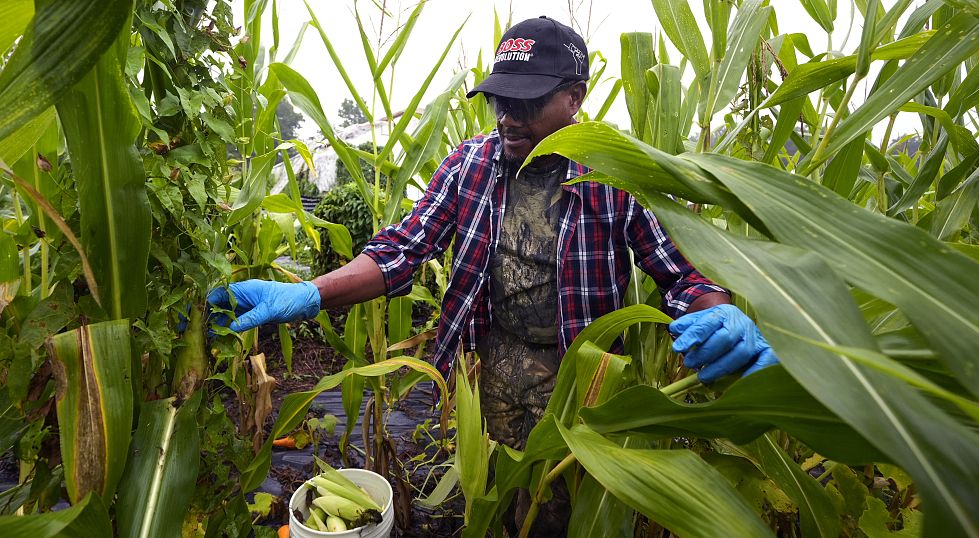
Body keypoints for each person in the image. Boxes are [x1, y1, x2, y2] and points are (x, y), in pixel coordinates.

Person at [209, 16, 778, 536]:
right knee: (501, 498)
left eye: (526, 102)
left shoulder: (613, 173)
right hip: (492, 366)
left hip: (584, 376)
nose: (508, 116)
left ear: (573, 98)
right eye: (499, 100)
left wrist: (717, 312)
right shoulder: (471, 163)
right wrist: (309, 293)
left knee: (570, 503)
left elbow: (682, 275)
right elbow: (401, 252)